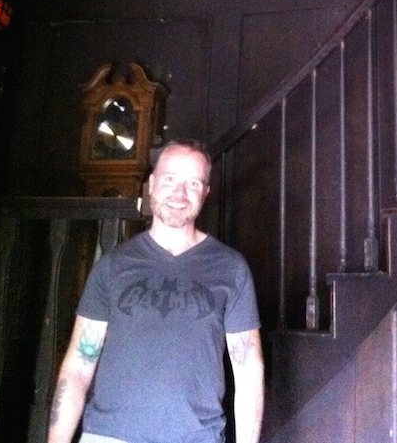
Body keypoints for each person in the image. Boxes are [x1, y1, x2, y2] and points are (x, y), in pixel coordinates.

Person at [47, 139, 264, 443]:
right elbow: (78, 367)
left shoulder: (231, 268)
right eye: (170, 179)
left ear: (205, 192)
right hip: (108, 436)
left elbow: (248, 372)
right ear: (152, 184)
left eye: (193, 183)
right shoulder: (112, 266)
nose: (180, 193)